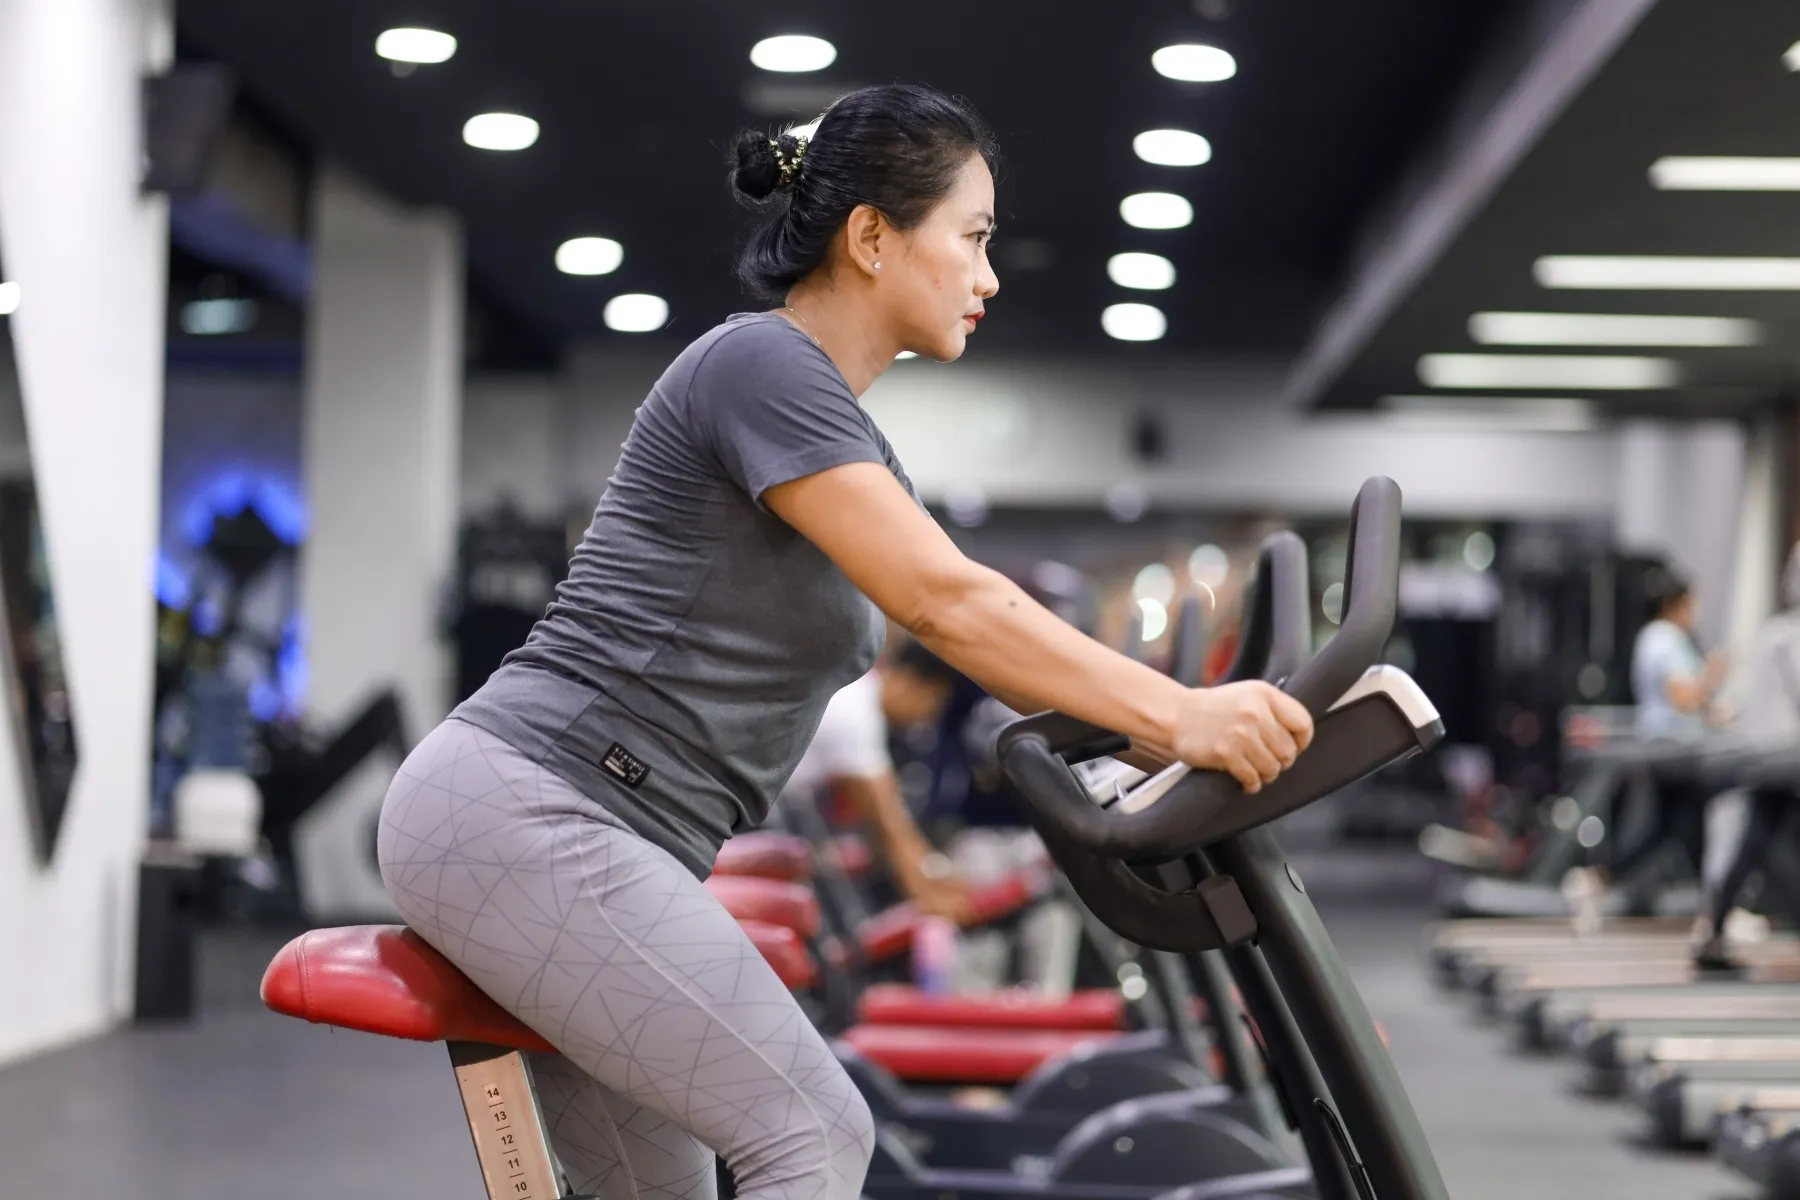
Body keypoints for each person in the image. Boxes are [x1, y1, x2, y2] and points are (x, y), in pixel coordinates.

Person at [375, 83, 1312, 1200]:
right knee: (813, 1134)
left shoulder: (846, 437)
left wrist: (1142, 742)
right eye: (971, 238)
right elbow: (948, 605)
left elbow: (961, 610)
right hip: (530, 812)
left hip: (592, 834)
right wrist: (1180, 710)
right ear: (872, 236)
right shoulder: (758, 366)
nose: (990, 275)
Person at [1565, 568, 1727, 922]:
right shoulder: (1665, 638)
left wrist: (1718, 714)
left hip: (1672, 746)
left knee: (1668, 829)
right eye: (1690, 604)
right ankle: (1717, 903)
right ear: (1676, 604)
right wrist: (1714, 674)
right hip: (1673, 750)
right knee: (1686, 828)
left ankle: (1600, 878)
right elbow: (1683, 697)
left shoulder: (1655, 638)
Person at [781, 637, 974, 922]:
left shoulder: (861, 699)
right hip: (757, 825)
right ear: (911, 682)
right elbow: (888, 826)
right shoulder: (855, 713)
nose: (928, 716)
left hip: (784, 817)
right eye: (933, 702)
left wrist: (937, 878)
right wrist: (930, 901)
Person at [1690, 545, 1800, 968]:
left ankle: (1714, 930)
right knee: (1758, 842)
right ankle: (1715, 929)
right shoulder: (1789, 635)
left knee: (1755, 840)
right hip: (1784, 757)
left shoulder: (1774, 631)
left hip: (1768, 754)